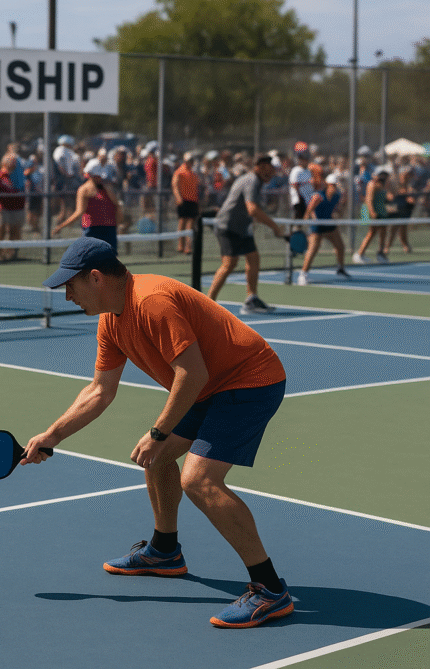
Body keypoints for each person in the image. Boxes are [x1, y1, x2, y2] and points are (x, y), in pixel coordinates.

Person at [23, 235, 293, 629]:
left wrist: (160, 429)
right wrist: (52, 435)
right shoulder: (111, 322)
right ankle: (165, 551)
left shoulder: (151, 301)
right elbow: (100, 390)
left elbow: (192, 373)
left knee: (198, 480)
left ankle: (270, 590)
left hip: (248, 380)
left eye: (70, 285)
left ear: (95, 278)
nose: (67, 297)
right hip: (208, 385)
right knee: (156, 455)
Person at [207, 155, 285, 314]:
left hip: (242, 228)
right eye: (267, 171)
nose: (270, 175)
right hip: (227, 226)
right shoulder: (252, 181)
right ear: (259, 168)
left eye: (272, 171)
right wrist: (274, 227)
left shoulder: (255, 181)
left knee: (253, 258)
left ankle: (251, 300)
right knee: (229, 264)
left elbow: (250, 211)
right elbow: (253, 209)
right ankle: (207, 304)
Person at [296, 173, 350, 286]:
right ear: (328, 185)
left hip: (329, 224)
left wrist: (343, 205)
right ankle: (303, 274)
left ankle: (340, 269)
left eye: (336, 185)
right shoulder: (318, 196)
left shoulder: (337, 196)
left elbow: (338, 211)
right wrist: (313, 220)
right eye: (333, 185)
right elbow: (309, 211)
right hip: (318, 226)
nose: (335, 187)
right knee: (313, 250)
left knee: (340, 247)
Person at [53, 164, 121, 250]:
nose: (100, 178)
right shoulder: (87, 190)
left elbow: (117, 207)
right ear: (91, 175)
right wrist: (61, 226)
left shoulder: (103, 189)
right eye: (97, 176)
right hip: (95, 229)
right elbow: (79, 212)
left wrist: (116, 225)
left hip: (103, 229)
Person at [0, 154, 26, 262]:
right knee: (1, 231)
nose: (15, 164)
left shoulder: (19, 175)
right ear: (5, 163)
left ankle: (12, 253)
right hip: (4, 208)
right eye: (12, 161)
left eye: (15, 161)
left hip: (18, 207)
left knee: (15, 231)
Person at [353, 169, 391, 264]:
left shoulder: (383, 185)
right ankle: (359, 254)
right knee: (371, 233)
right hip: (372, 212)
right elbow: (369, 200)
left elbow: (386, 198)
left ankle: (380, 254)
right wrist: (372, 213)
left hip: (381, 212)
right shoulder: (372, 184)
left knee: (383, 232)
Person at [171, 153, 200, 254]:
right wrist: (178, 197)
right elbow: (175, 186)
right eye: (188, 161)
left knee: (190, 224)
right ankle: (180, 245)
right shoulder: (179, 172)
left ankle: (188, 247)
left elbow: (196, 188)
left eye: (191, 161)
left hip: (192, 201)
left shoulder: (193, 173)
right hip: (183, 200)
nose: (190, 163)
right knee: (182, 222)